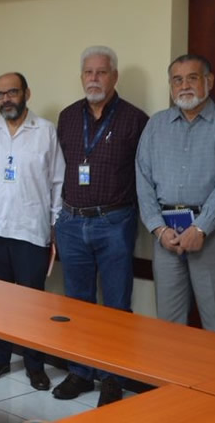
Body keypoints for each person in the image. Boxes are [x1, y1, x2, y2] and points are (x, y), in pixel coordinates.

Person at [53, 46, 148, 406]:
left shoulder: (136, 119)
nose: (94, 78)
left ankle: (113, 378)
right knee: (77, 305)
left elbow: (144, 174)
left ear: (114, 76)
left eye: (102, 72)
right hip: (72, 221)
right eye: (88, 72)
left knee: (116, 308)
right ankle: (80, 372)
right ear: (81, 77)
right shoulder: (66, 117)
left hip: (114, 222)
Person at [136, 54, 215, 336]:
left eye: (192, 78)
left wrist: (201, 227)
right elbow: (142, 179)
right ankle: (173, 381)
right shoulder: (156, 125)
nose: (184, 85)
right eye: (177, 80)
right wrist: (158, 229)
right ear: (170, 86)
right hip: (167, 237)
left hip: (214, 235)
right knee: (169, 325)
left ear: (208, 82)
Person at [0, 72, 63, 388]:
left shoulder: (45, 132)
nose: (6, 99)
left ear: (27, 93)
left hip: (30, 231)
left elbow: (57, 182)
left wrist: (53, 225)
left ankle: (35, 365)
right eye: (0, 94)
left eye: (12, 92)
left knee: (31, 303)